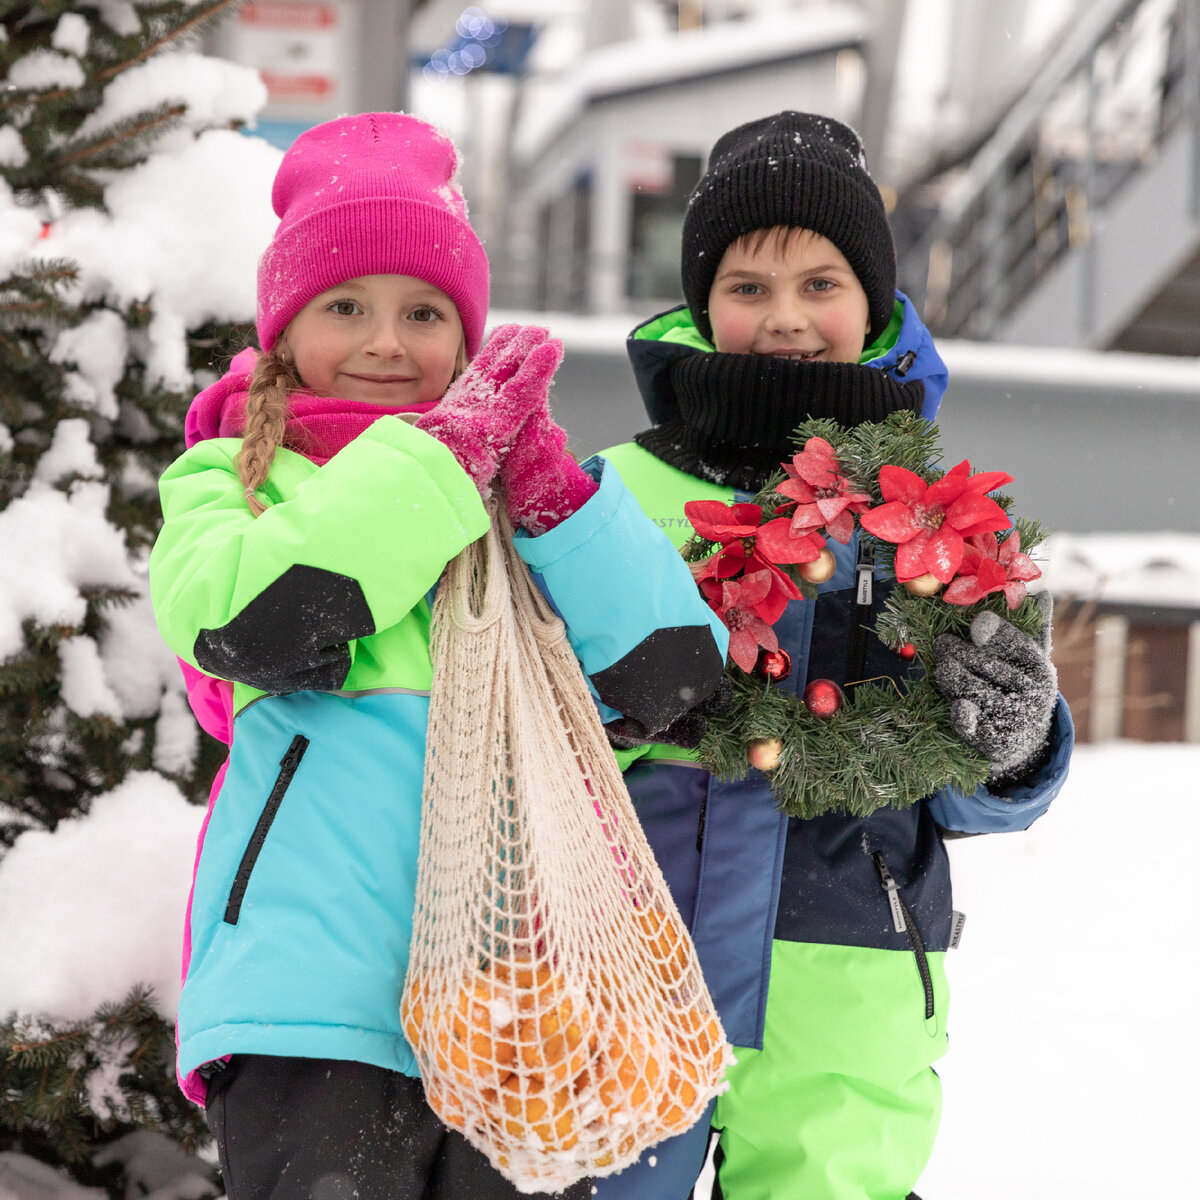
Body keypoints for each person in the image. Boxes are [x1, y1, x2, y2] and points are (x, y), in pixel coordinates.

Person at [148, 112, 729, 1200]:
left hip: (520, 1008)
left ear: (465, 341)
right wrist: (437, 465)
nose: (386, 342)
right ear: (284, 329)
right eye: (345, 307)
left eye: (424, 313)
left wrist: (556, 501)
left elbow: (671, 677)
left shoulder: (517, 510)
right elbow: (250, 621)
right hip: (310, 1000)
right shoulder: (235, 480)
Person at [593, 111, 1074, 1200]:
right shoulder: (611, 496)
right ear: (702, 302)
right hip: (619, 960)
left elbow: (978, 792)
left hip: (847, 970)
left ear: (874, 303)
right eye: (749, 287)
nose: (786, 318)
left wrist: (1016, 747)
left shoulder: (939, 522)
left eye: (822, 284)